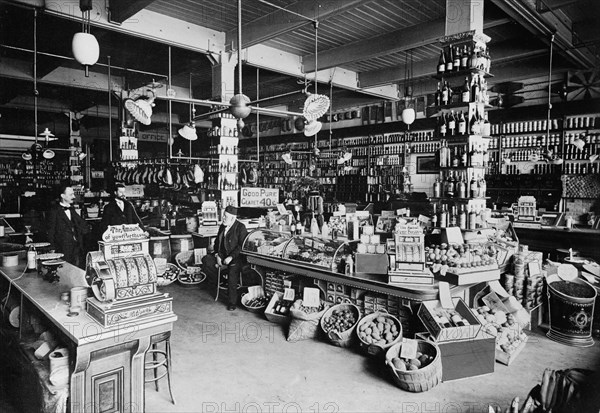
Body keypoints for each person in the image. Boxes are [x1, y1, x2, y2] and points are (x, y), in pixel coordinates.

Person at [202, 206, 248, 311]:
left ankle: (232, 302)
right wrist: (217, 255)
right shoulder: (222, 227)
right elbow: (217, 244)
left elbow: (241, 246)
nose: (223, 218)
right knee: (206, 260)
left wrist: (231, 257)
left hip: (236, 258)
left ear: (233, 218)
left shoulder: (241, 227)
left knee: (232, 272)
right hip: (222, 256)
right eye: (223, 215)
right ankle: (220, 279)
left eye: (225, 217)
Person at [46, 183, 89, 268]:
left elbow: (82, 225)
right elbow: (51, 231)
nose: (73, 197)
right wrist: (52, 248)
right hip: (62, 249)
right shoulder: (54, 211)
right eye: (71, 194)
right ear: (63, 196)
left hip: (76, 248)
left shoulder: (72, 209)